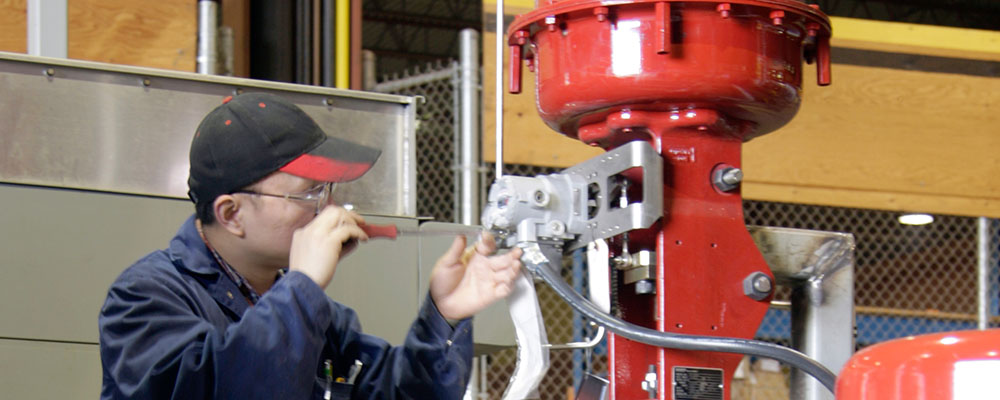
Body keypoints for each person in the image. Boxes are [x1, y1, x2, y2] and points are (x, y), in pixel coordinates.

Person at [98, 92, 523, 399]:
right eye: (309, 193)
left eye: (329, 191)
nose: (330, 209)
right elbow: (229, 385)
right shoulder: (145, 299)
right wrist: (301, 287)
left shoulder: (318, 316)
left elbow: (401, 393)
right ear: (231, 214)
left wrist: (443, 317)